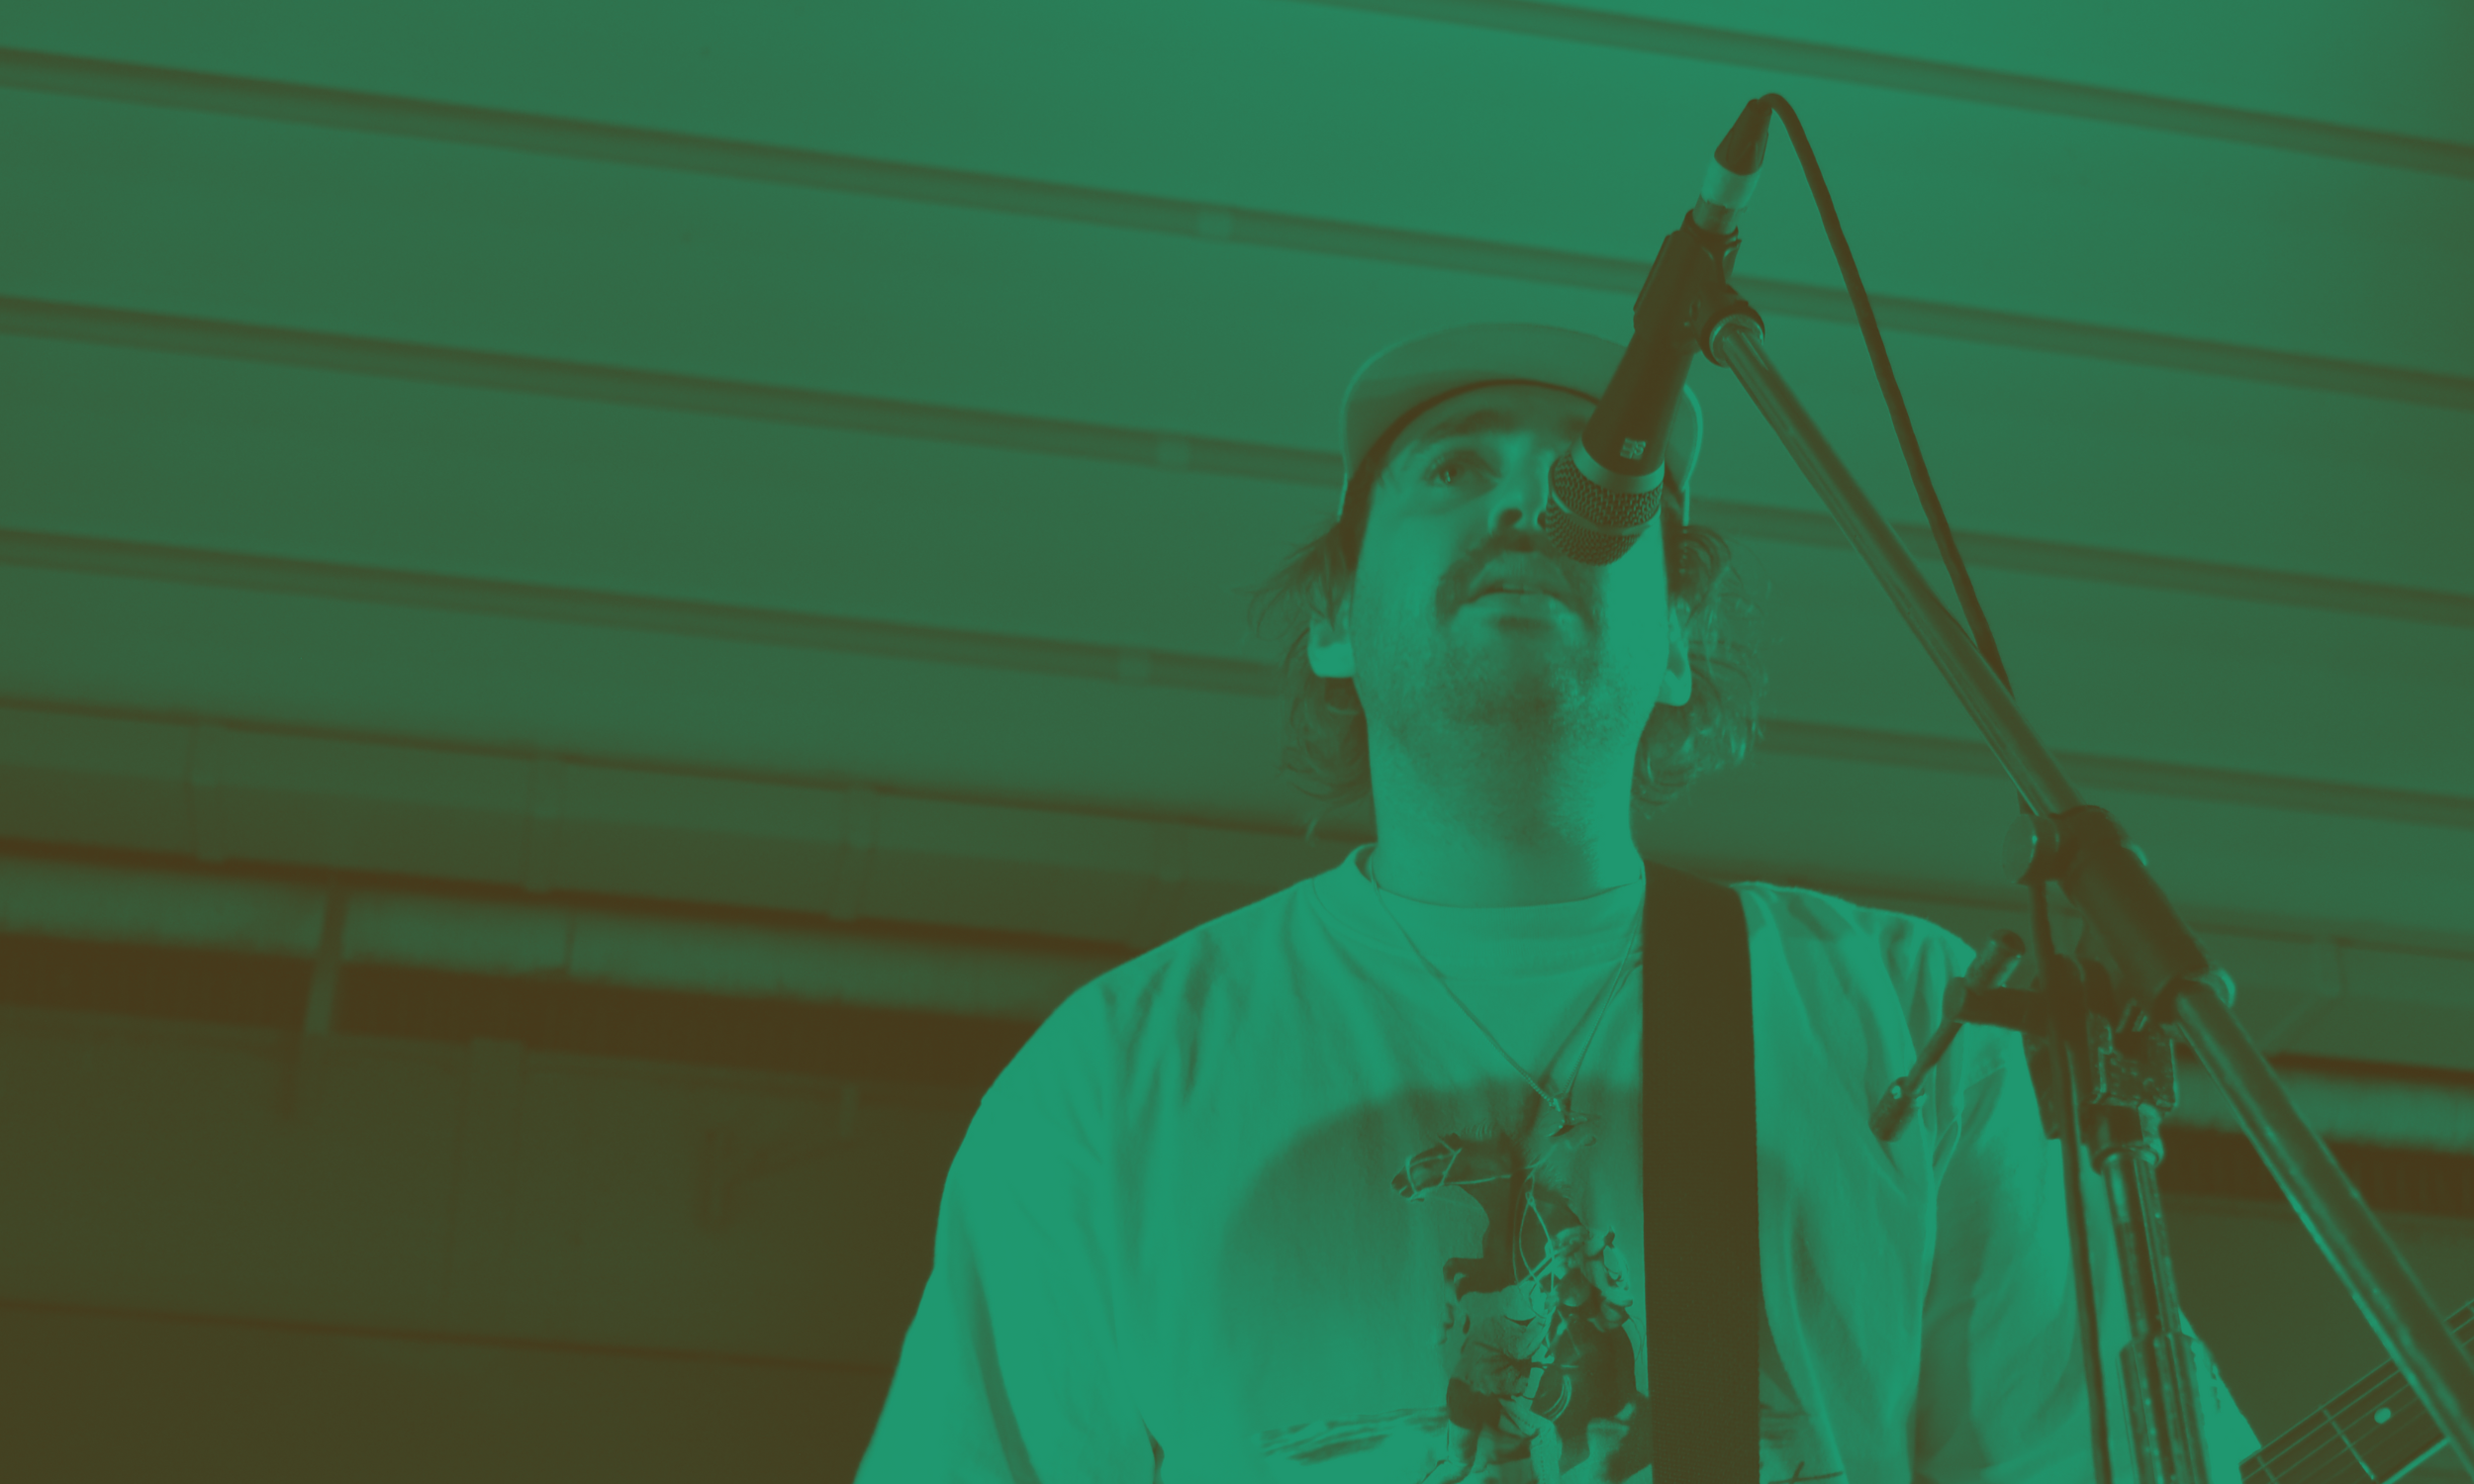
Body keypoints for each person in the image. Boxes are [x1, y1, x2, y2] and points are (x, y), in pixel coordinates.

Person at [854, 324, 2259, 1482]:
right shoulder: (1114, 1076)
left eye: (1603, 483)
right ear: (1333, 621)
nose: (1528, 505)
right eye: (1454, 468)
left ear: (1678, 645)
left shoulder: (1918, 1024)